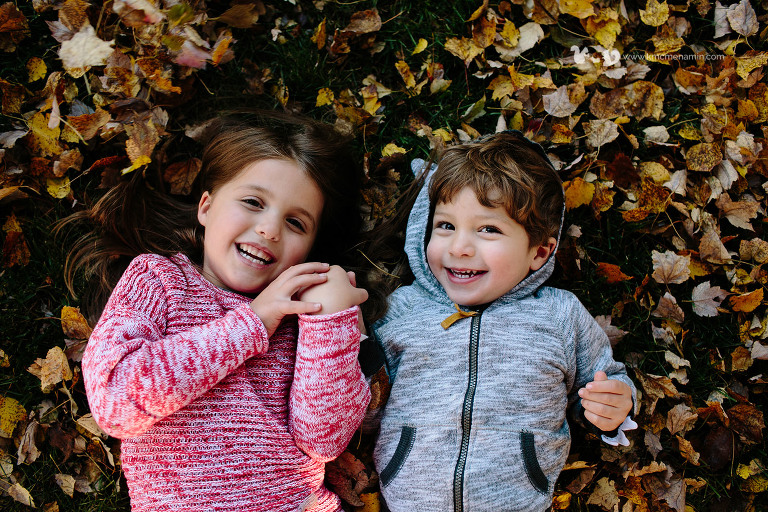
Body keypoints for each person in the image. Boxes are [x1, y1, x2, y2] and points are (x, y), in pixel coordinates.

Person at [70, 113, 371, 512]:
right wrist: (252, 324)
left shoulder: (306, 319)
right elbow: (114, 403)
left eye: (295, 222)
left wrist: (332, 324)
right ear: (207, 208)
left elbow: (324, 441)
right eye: (253, 202)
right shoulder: (158, 280)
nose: (269, 229)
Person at [366, 131, 637, 512]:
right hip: (411, 499)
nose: (459, 247)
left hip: (518, 499)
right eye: (445, 226)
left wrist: (615, 406)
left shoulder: (559, 315)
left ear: (539, 251)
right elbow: (365, 405)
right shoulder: (403, 310)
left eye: (488, 229)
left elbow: (602, 379)